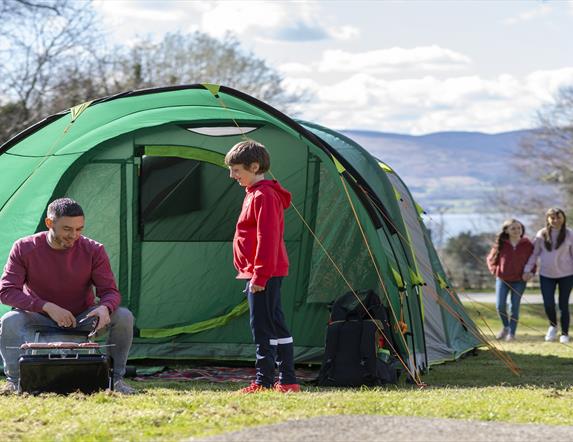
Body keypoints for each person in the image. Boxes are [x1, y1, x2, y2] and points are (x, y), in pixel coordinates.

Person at [0, 198, 135, 394]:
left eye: (79, 229)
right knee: (10, 320)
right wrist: (46, 306)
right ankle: (15, 382)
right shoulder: (24, 248)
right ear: (49, 223)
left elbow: (110, 292)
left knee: (124, 316)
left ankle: (116, 381)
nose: (74, 235)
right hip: (39, 317)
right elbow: (6, 291)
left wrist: (105, 307)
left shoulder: (94, 250)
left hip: (83, 318)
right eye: (67, 229)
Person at [225, 140, 300, 393]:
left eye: (237, 170)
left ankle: (264, 380)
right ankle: (286, 380)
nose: (232, 175)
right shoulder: (254, 194)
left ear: (254, 166)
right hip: (259, 272)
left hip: (263, 273)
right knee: (274, 322)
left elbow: (267, 238)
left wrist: (259, 275)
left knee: (263, 326)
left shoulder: (264, 195)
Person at [523, 208, 573, 343]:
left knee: (563, 305)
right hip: (546, 275)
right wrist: (528, 269)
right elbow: (534, 254)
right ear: (548, 219)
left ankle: (564, 334)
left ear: (563, 219)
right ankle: (552, 326)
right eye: (553, 218)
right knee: (548, 304)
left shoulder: (570, 234)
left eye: (559, 218)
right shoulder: (541, 234)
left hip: (566, 275)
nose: (556, 221)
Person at [486, 219, 533, 341]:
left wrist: (531, 272)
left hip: (519, 280)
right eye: (513, 228)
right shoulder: (501, 243)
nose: (517, 230)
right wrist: (496, 271)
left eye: (519, 228)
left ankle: (511, 333)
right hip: (502, 280)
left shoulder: (527, 244)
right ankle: (506, 327)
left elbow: (532, 261)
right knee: (500, 305)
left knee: (514, 307)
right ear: (506, 230)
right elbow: (490, 259)